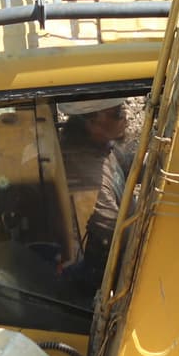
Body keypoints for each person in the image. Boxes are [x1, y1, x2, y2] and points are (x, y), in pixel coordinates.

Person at [58, 99, 136, 283]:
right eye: (117, 113)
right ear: (92, 123)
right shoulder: (88, 178)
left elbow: (127, 165)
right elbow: (118, 234)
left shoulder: (99, 147)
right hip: (98, 277)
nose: (125, 116)